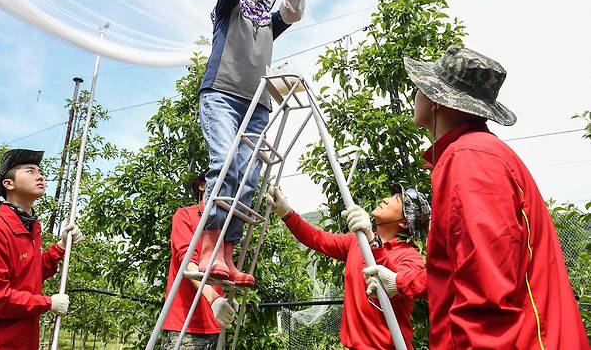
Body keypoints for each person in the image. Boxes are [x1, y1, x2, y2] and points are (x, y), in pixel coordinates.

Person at [365, 46, 589, 349]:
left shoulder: (470, 160)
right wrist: (402, 282)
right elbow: (462, 269)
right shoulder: (475, 153)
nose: (415, 94)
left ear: (436, 101)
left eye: (420, 87)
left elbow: (486, 289)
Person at [198, 0, 313, 287]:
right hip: (221, 94)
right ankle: (207, 248)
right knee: (225, 166)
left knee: (248, 179)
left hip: (256, 105)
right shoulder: (227, 9)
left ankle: (227, 256)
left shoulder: (269, 25)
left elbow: (292, 11)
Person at [0, 149, 83, 350]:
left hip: (20, 341)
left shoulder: (31, 227)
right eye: (30, 171)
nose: (40, 176)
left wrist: (61, 247)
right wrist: (48, 303)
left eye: (40, 171)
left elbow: (29, 273)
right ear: (9, 184)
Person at [266, 184, 429, 350]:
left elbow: (397, 281)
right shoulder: (356, 242)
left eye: (396, 200)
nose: (385, 199)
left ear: (404, 223)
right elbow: (317, 239)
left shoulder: (410, 257)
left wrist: (373, 241)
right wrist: (286, 214)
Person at [161, 173, 239, 349]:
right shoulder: (184, 216)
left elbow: (221, 269)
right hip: (185, 326)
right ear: (203, 186)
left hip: (215, 326)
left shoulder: (223, 225)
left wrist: (225, 298)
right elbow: (188, 262)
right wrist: (215, 299)